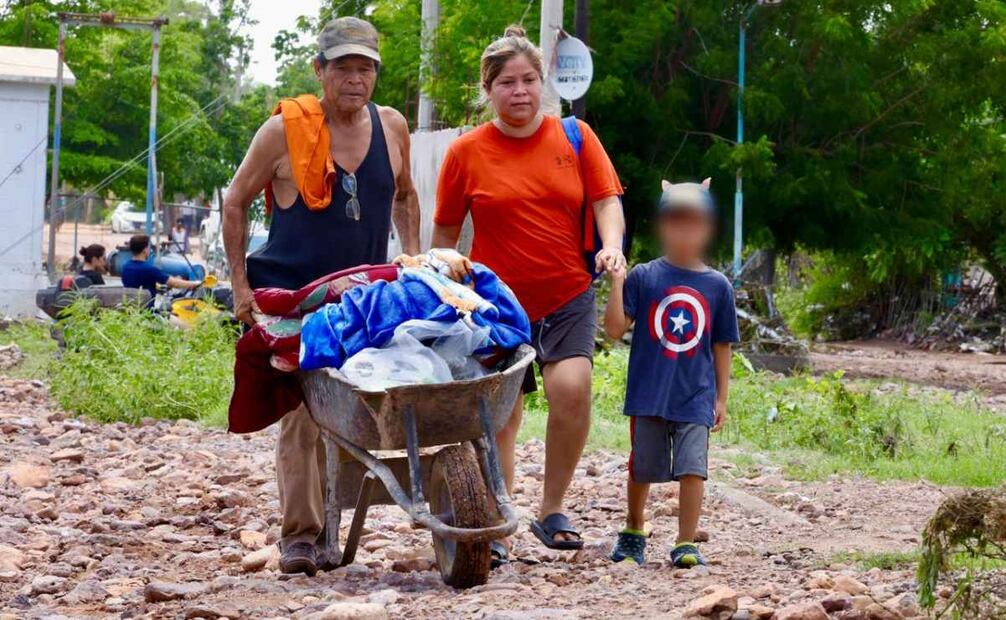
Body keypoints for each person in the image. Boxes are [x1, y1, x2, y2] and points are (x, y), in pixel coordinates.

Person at [222, 16, 419, 577]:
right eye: (342, 68)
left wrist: (415, 262)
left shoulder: (392, 127)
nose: (355, 79)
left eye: (366, 68)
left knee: (391, 400)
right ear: (319, 70)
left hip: (368, 294)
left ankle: (386, 506)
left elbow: (405, 197)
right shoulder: (284, 131)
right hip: (298, 297)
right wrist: (241, 286)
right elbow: (235, 200)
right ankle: (302, 536)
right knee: (305, 414)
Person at [432, 25, 625, 560]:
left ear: (543, 84)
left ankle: (552, 507)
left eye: (529, 80)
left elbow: (607, 200)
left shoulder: (575, 136)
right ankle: (497, 516)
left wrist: (612, 247)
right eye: (508, 83)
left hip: (566, 293)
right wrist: (446, 279)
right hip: (496, 304)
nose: (520, 91)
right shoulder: (466, 152)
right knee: (500, 416)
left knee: (573, 389)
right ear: (488, 90)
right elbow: (444, 236)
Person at [603, 179, 739, 567]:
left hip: (695, 393)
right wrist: (617, 282)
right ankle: (633, 529)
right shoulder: (645, 276)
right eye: (676, 222)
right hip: (649, 392)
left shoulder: (717, 286)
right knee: (642, 465)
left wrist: (721, 396)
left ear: (708, 229)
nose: (685, 231)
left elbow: (722, 345)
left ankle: (685, 541)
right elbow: (614, 329)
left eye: (694, 223)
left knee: (694, 468)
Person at [121, 235, 202, 297]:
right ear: (145, 250)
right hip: (148, 311)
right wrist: (194, 283)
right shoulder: (149, 269)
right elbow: (174, 283)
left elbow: (138, 285)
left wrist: (159, 287)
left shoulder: (125, 267)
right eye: (149, 247)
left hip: (130, 308)